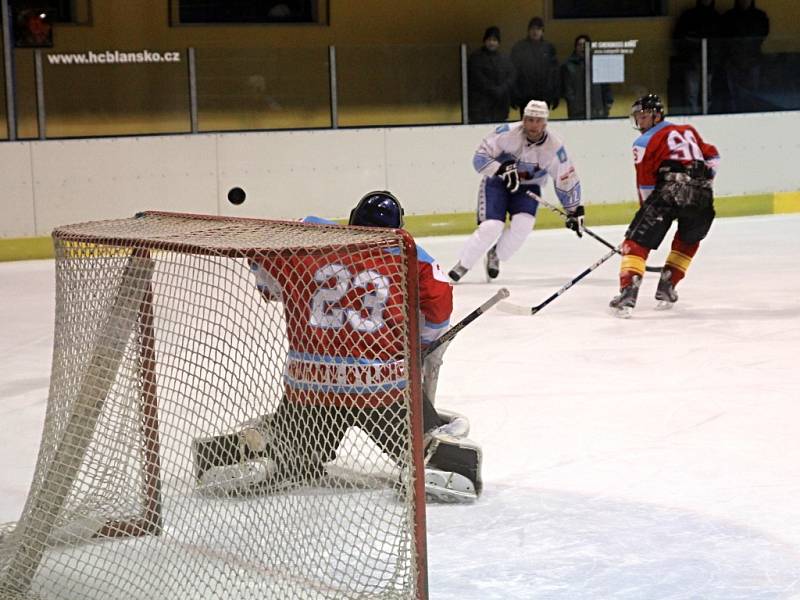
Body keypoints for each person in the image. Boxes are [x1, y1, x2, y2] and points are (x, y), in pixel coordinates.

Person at [195, 191, 482, 503]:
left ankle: (241, 450)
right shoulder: (413, 255)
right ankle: (440, 461)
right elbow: (439, 304)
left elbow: (261, 265)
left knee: (293, 454)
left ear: (350, 218)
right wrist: (422, 346)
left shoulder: (306, 235)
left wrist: (286, 286)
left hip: (311, 388)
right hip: (382, 388)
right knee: (423, 443)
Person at [448, 99, 583, 282]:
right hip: (497, 183)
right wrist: (501, 169)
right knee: (492, 226)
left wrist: (573, 210)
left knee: (523, 224)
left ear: (545, 122)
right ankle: (463, 264)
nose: (533, 125)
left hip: (528, 188)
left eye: (538, 121)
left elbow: (565, 178)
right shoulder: (506, 133)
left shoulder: (555, 146)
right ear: (523, 119)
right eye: (529, 119)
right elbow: (479, 158)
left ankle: (495, 255)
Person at [609, 94, 720, 317]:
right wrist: (703, 183)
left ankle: (628, 293)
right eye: (637, 117)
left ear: (656, 115)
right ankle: (668, 285)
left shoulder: (643, 141)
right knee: (688, 240)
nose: (639, 121)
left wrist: (645, 211)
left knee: (637, 241)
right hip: (702, 194)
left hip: (668, 190)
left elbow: (645, 178)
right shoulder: (688, 129)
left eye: (643, 116)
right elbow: (713, 156)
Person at [719, 0, 769, 113]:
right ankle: (735, 113)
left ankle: (752, 112)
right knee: (733, 93)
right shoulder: (729, 17)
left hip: (753, 60)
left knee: (752, 91)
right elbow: (724, 36)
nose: (745, 2)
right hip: (733, 60)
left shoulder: (759, 16)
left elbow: (763, 33)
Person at [510, 17, 560, 116]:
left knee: (542, 126)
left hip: (544, 97)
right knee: (526, 126)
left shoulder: (549, 48)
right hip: (525, 97)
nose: (535, 32)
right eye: (532, 29)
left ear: (542, 31)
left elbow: (555, 74)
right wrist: (513, 95)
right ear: (528, 31)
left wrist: (555, 95)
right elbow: (513, 73)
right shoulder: (519, 48)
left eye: (538, 29)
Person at [467, 26, 516, 124]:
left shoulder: (504, 58)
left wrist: (503, 88)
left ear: (498, 42)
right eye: (489, 39)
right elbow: (477, 78)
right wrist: (493, 89)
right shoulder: (476, 57)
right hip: (481, 107)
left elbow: (512, 75)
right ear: (485, 41)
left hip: (500, 106)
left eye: (494, 40)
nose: (491, 43)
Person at [561, 34, 614, 119]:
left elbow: (606, 86)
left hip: (597, 110)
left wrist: (608, 103)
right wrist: (573, 105)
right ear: (575, 47)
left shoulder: (598, 64)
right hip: (577, 112)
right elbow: (567, 90)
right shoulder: (568, 66)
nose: (582, 47)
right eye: (579, 45)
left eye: (585, 45)